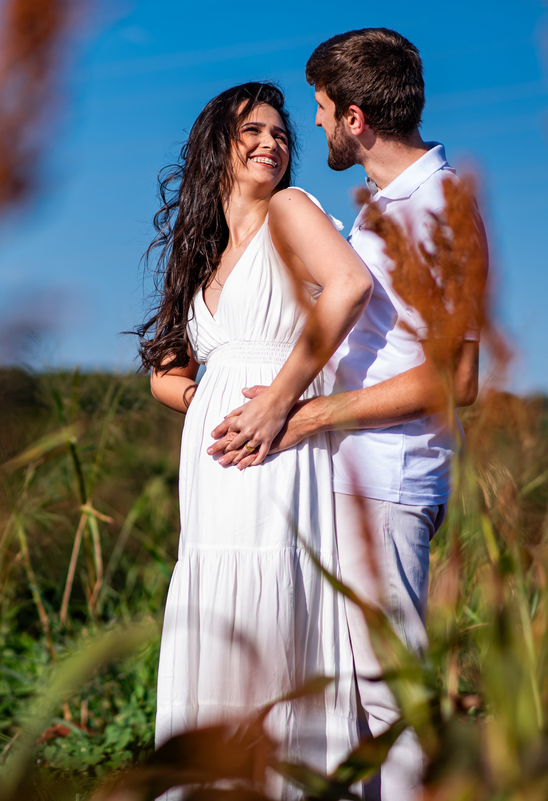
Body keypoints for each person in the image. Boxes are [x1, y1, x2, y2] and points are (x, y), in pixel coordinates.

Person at [209, 29, 485, 800]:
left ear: (356, 117)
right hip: (343, 485)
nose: (317, 126)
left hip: (390, 485)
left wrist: (312, 411)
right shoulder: (382, 209)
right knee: (350, 710)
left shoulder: (441, 207)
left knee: (390, 697)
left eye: (323, 110)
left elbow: (457, 378)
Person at [137, 81, 373, 797]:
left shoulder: (291, 210)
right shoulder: (202, 247)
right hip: (215, 474)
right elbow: (165, 370)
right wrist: (203, 398)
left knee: (275, 609)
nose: (272, 141)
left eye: (280, 132)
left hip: (282, 453)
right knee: (218, 612)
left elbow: (350, 285)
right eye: (253, 130)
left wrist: (277, 400)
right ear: (219, 145)